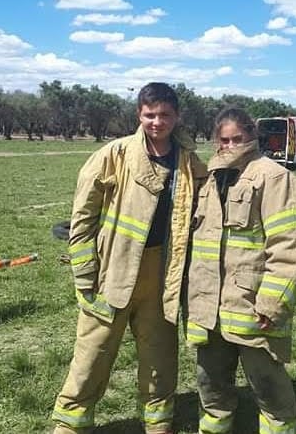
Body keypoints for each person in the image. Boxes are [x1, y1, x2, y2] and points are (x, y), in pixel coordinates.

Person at [52, 83, 207, 434]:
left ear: (176, 116)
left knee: (160, 357)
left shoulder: (187, 160)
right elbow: (82, 220)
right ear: (139, 114)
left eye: (165, 114)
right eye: (150, 114)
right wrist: (85, 273)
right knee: (92, 354)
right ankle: (70, 423)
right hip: (113, 272)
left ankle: (158, 422)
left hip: (162, 273)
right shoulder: (113, 155)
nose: (157, 122)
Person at [186, 107, 296, 434]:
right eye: (224, 140)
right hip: (209, 307)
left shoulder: (273, 178)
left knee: (268, 383)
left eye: (238, 139)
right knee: (210, 380)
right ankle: (216, 426)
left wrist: (274, 303)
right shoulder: (209, 179)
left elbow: (293, 248)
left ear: (252, 138)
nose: (230, 146)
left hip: (254, 308)